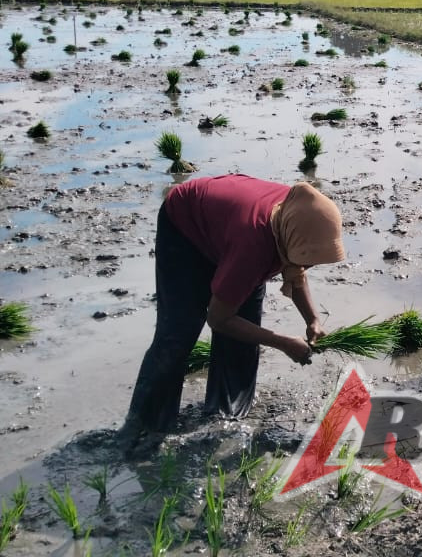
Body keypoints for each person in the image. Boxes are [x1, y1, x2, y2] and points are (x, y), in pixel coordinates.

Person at [119, 175, 346, 453]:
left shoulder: (293, 219)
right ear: (289, 236)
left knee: (244, 332)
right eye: (307, 257)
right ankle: (143, 428)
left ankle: (225, 416)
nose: (309, 265)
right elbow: (218, 318)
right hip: (185, 228)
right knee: (178, 332)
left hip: (230, 233)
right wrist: (284, 342)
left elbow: (296, 268)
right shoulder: (254, 243)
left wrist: (312, 319)